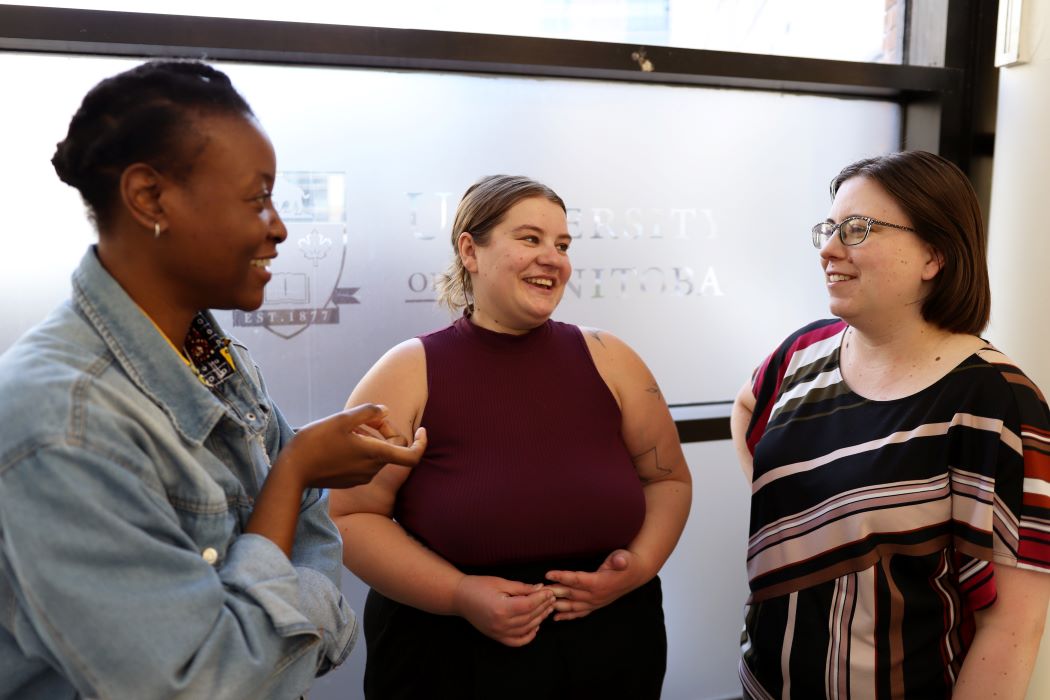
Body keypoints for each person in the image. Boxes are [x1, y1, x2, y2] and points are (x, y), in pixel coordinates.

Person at [0, 60, 425, 699]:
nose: (279, 227)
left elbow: (314, 572)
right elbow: (202, 685)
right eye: (258, 198)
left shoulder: (209, 355)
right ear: (149, 198)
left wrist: (282, 629)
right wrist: (293, 473)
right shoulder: (62, 419)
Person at [330, 174, 692, 699]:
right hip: (450, 658)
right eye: (530, 239)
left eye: (562, 244)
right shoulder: (409, 371)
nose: (553, 257)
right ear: (470, 251)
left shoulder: (612, 360)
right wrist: (459, 594)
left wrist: (638, 568)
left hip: (611, 647)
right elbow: (350, 515)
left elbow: (669, 480)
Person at [730, 150, 1050, 699]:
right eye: (829, 229)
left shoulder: (996, 403)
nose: (829, 249)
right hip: (764, 683)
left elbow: (1012, 629)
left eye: (858, 229)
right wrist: (815, 519)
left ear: (935, 254)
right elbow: (745, 411)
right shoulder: (800, 355)